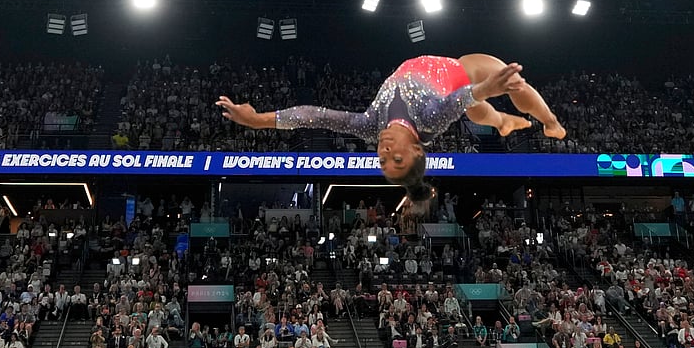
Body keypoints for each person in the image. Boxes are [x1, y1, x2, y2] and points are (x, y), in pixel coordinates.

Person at [217, 54, 564, 213]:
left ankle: (502, 122)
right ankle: (550, 121)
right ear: (416, 151)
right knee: (509, 81)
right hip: (458, 71)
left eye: (382, 160)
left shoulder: (369, 125)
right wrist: (487, 85)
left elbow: (314, 116)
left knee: (483, 111)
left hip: (454, 87)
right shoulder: (429, 122)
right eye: (396, 158)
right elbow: (462, 96)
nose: (384, 152)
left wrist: (259, 119)